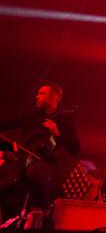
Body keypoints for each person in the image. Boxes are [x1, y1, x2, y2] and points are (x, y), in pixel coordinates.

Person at [0, 82, 80, 227]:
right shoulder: (32, 116)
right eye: (38, 93)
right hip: (21, 160)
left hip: (44, 162)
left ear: (54, 97)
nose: (37, 96)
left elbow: (75, 149)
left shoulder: (64, 120)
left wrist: (58, 134)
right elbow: (8, 124)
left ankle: (42, 207)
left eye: (42, 93)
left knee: (33, 171)